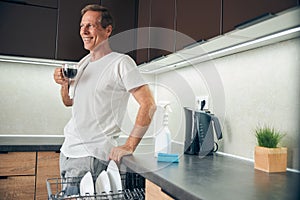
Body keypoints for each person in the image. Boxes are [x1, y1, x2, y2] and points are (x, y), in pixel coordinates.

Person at [53, 4, 156, 181]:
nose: (84, 31)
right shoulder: (83, 64)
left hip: (91, 156)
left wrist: (129, 145)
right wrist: (64, 84)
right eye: (81, 26)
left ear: (108, 30)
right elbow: (69, 102)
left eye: (90, 26)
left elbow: (149, 104)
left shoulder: (120, 63)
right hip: (67, 152)